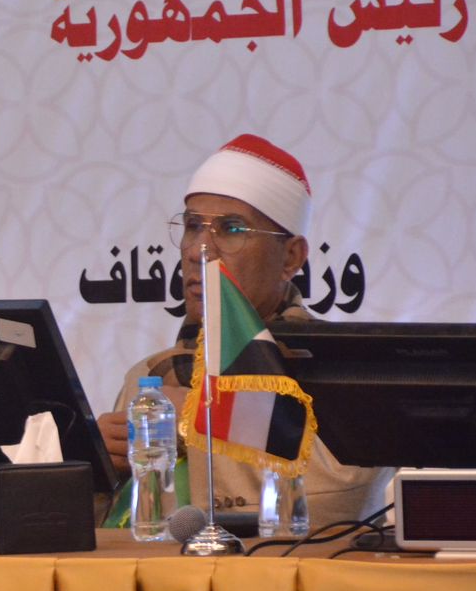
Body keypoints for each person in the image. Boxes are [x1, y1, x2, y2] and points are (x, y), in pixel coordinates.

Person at [97, 135, 391, 530]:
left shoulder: (345, 368)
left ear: (291, 257)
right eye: (192, 226)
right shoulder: (149, 377)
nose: (198, 250)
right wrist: (100, 465)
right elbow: (116, 527)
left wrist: (194, 420)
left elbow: (339, 502)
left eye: (231, 229)